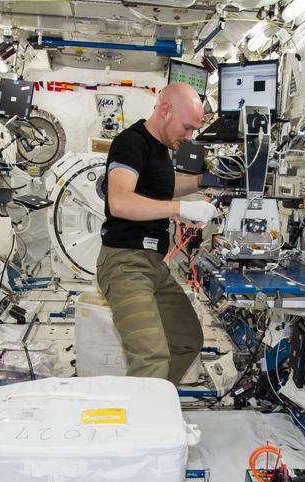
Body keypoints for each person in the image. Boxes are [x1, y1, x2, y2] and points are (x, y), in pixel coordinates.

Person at [96, 83, 218, 384]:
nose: (189, 138)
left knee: (188, 339)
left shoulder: (159, 150)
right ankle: (142, 423)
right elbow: (120, 201)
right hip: (124, 266)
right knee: (151, 359)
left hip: (153, 266)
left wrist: (204, 180)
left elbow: (163, 187)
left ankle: (151, 404)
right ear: (166, 110)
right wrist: (181, 210)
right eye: (187, 128)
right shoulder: (131, 142)